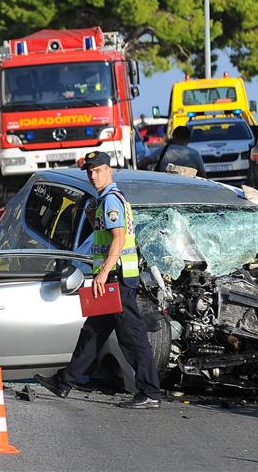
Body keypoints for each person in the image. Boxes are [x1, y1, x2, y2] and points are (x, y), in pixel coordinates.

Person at [35, 151, 162, 409]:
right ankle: (64, 381)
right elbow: (107, 234)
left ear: (110, 170)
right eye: (90, 171)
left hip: (116, 279)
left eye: (98, 170)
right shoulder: (105, 200)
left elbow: (117, 239)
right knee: (93, 332)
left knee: (132, 338)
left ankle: (150, 392)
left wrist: (103, 272)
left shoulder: (112, 200)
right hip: (111, 279)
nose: (93, 176)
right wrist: (94, 218)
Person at [138, 125, 207, 178]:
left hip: (165, 190)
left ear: (173, 137)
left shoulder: (163, 151)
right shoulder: (195, 154)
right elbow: (203, 176)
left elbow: (141, 164)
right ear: (188, 139)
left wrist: (152, 176)